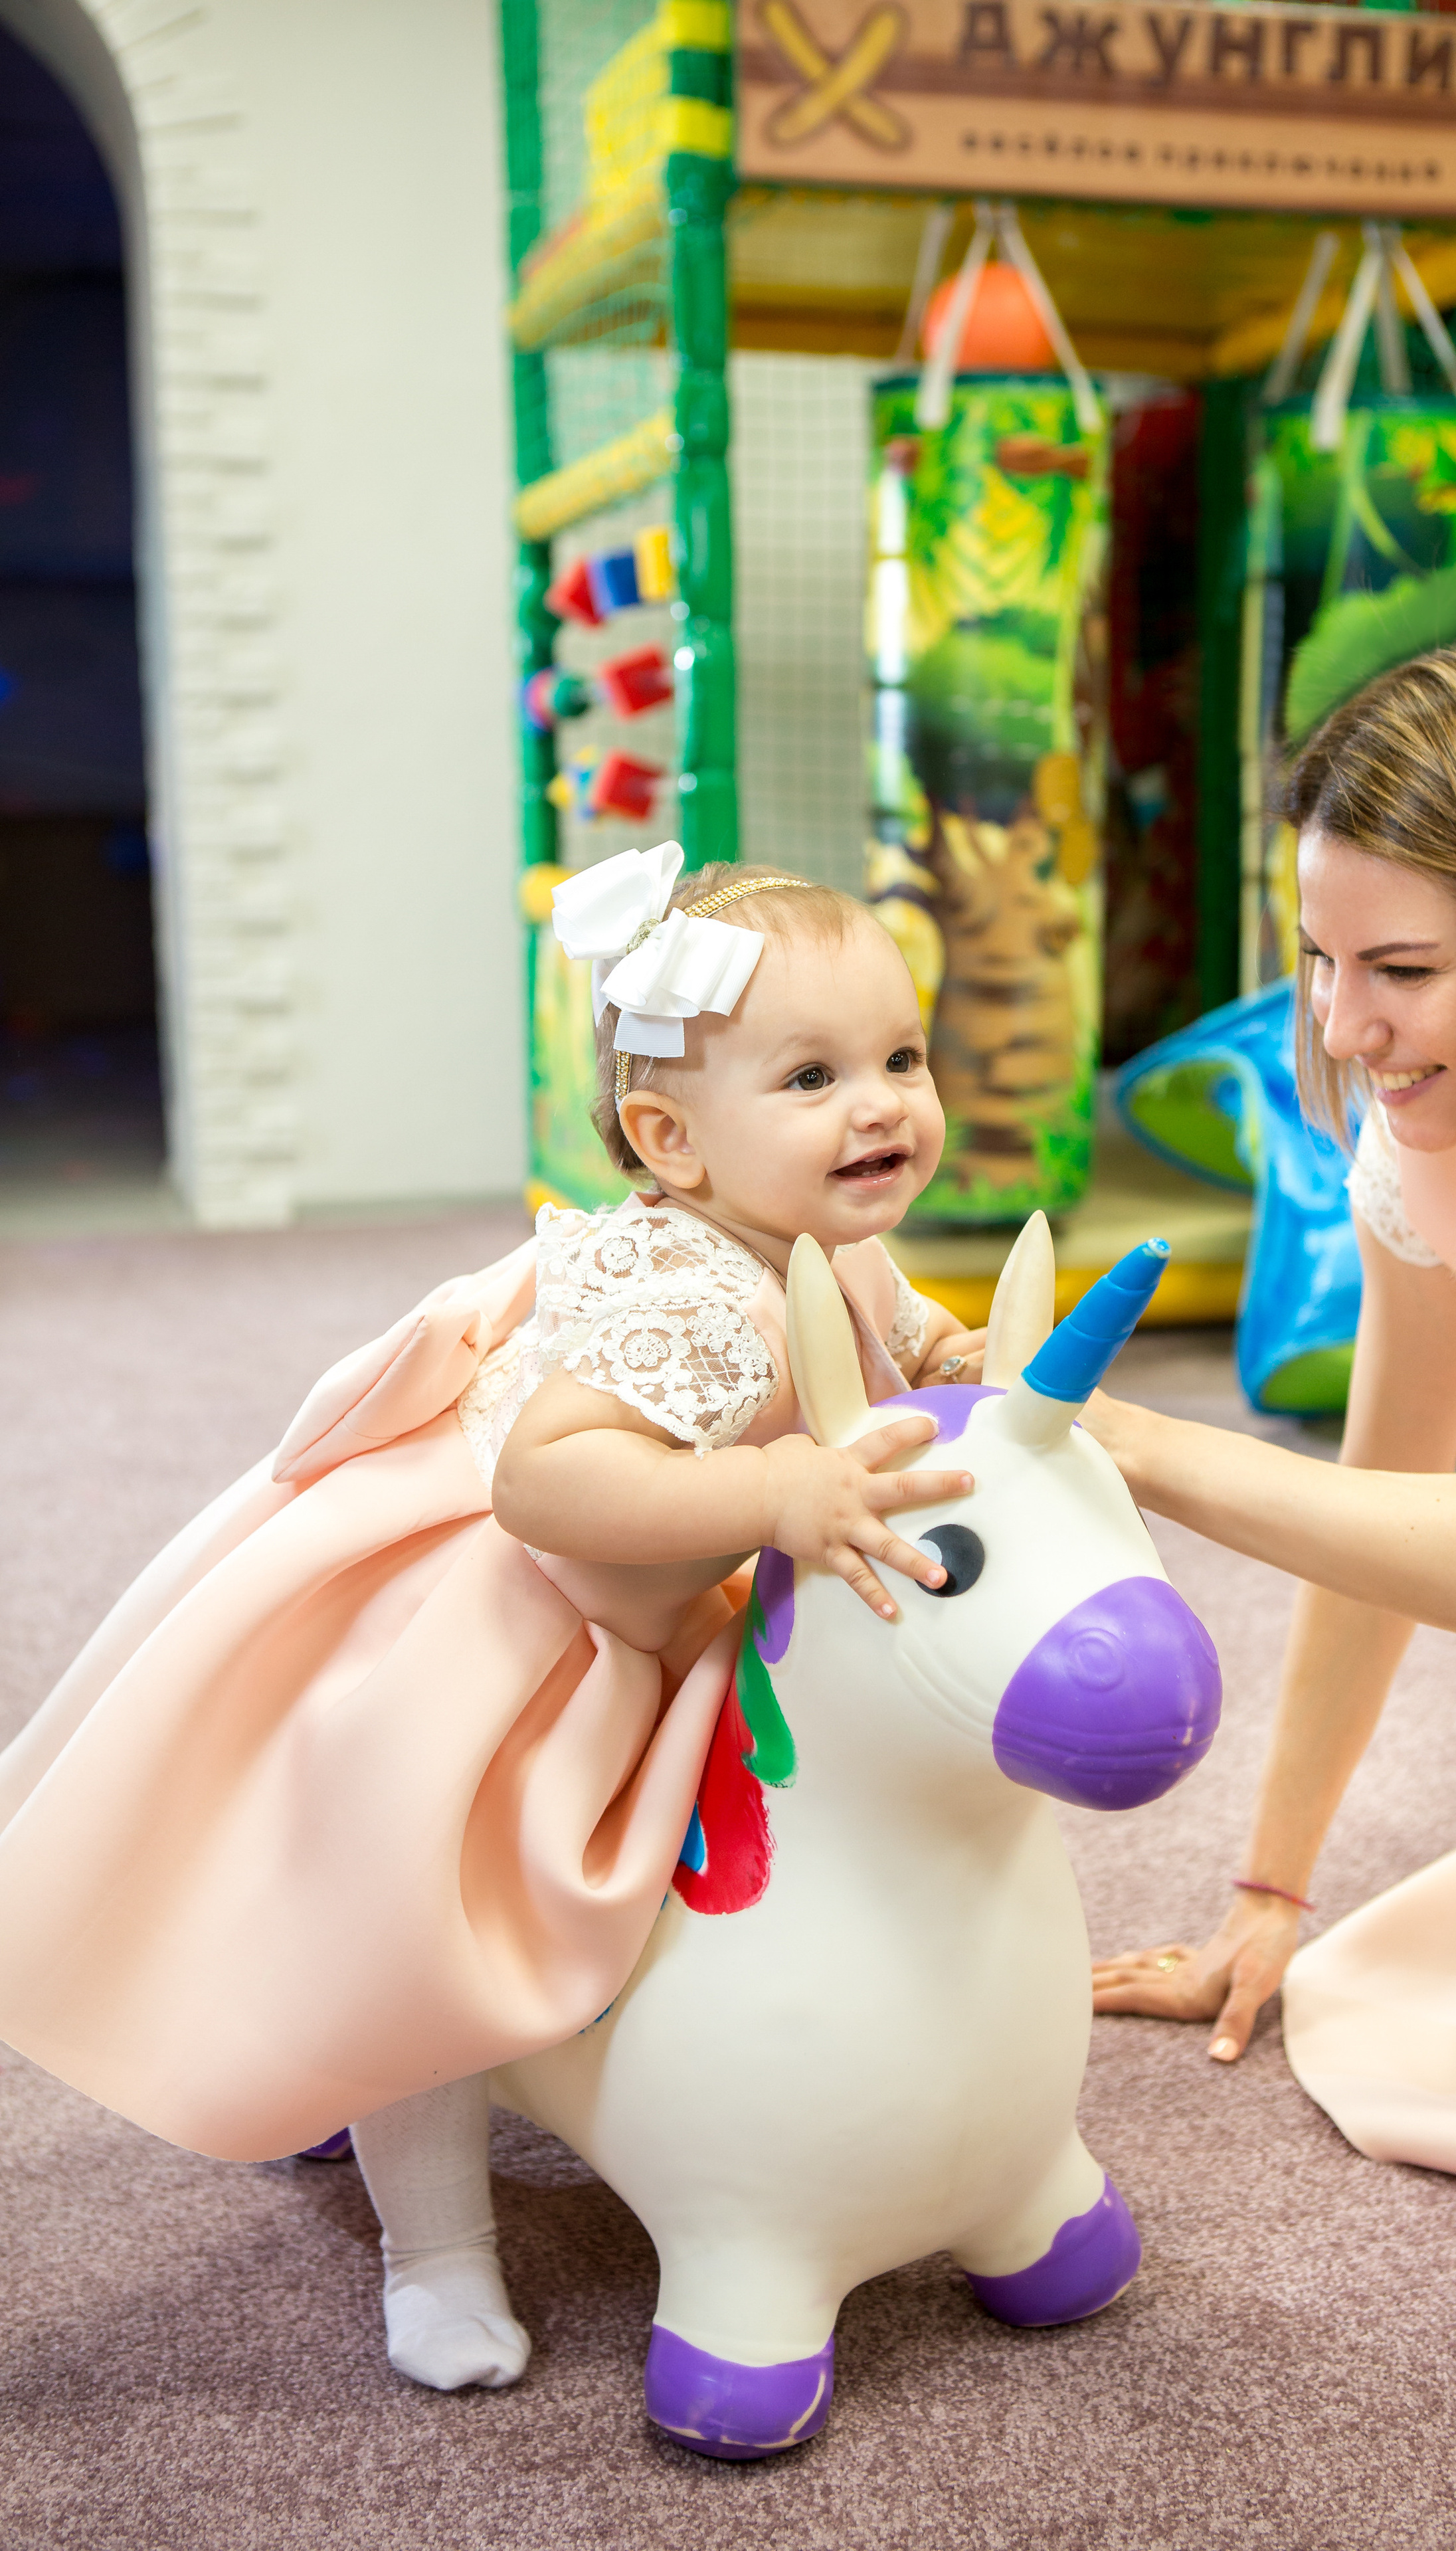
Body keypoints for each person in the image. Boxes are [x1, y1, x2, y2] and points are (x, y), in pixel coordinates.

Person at [0, 846, 986, 2390]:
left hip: (665, 1604)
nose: (882, 1104)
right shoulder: (690, 1302)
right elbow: (549, 1484)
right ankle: (437, 2242)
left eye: (902, 1057)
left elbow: (895, 1336)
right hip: (517, 1634)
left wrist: (960, 1353)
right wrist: (774, 1490)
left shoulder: (824, 1242)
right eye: (814, 1074)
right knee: (431, 1932)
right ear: (669, 1141)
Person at [1086, 636, 1456, 2225]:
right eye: (1317, 957)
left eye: (1401, 970)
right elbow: (1384, 1508)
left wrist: (1148, 1447)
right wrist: (1267, 1889)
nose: (1344, 1023)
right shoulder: (1424, 1139)